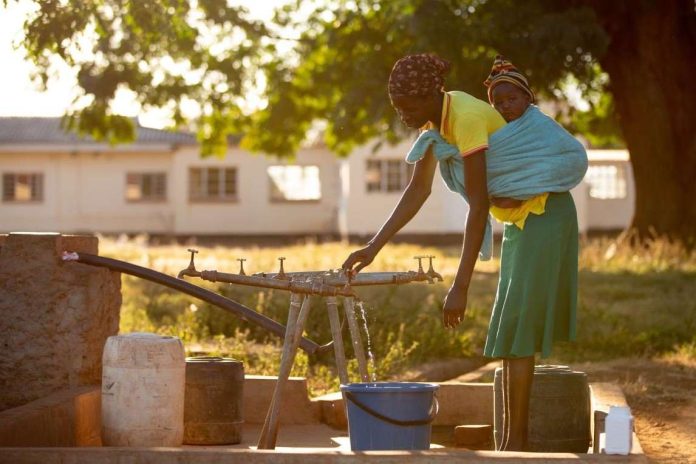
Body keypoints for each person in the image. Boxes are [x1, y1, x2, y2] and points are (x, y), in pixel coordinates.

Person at [342, 53, 584, 452]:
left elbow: (478, 206)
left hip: (545, 212)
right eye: (398, 108)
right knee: (509, 330)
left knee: (518, 326)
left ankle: (517, 448)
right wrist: (373, 246)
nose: (405, 116)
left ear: (432, 94)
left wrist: (460, 286)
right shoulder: (437, 124)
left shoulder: (467, 120)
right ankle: (510, 442)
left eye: (409, 107)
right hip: (523, 218)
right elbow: (417, 191)